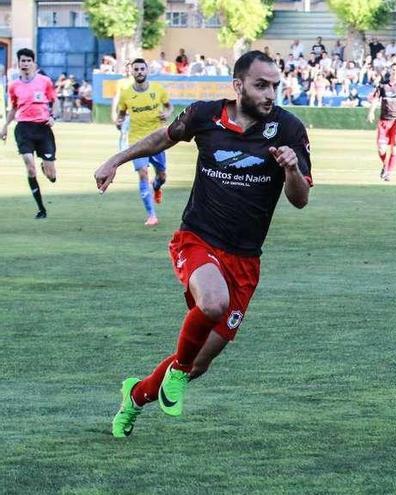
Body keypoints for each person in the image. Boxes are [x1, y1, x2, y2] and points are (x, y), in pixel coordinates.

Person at [95, 51, 313, 438]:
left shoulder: (289, 129)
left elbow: (299, 199)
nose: (270, 94)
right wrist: (117, 159)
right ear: (238, 85)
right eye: (261, 85)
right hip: (197, 239)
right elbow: (164, 136)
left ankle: (135, 397)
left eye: (275, 85)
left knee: (198, 363)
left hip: (245, 260)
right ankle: (175, 373)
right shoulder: (205, 115)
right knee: (212, 303)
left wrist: (292, 168)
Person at [0, 48, 58, 219]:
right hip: (24, 128)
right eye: (22, 61)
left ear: (34, 63)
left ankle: (45, 167)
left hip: (43, 129)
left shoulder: (45, 81)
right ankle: (41, 209)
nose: (25, 64)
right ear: (18, 63)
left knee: (51, 176)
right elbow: (13, 108)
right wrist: (4, 127)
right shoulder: (13, 85)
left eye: (28, 61)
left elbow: (54, 102)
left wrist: (53, 117)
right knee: (29, 165)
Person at [116, 58, 174, 226]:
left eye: (142, 69)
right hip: (137, 140)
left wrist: (167, 113)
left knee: (162, 176)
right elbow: (121, 113)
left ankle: (156, 187)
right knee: (142, 173)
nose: (139, 71)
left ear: (147, 71)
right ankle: (151, 215)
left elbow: (169, 106)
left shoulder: (158, 89)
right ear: (131, 72)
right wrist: (119, 122)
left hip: (157, 139)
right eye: (136, 69)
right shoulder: (126, 93)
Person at [368, 64, 396, 181]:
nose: (394, 72)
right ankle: (385, 166)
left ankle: (388, 173)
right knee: (381, 149)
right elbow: (376, 99)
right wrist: (371, 111)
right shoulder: (383, 85)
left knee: (395, 145)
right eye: (393, 70)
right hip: (384, 121)